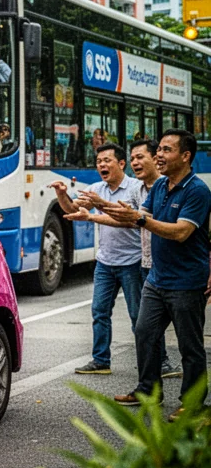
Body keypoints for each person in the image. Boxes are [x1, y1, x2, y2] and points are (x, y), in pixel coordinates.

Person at [102, 130, 211, 417]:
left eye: (166, 150)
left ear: (185, 156)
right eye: (159, 149)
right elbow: (143, 217)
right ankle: (148, 389)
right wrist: (104, 209)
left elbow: (182, 232)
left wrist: (139, 218)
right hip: (157, 278)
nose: (159, 155)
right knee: (144, 333)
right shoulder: (161, 186)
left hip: (187, 282)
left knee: (190, 346)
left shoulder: (197, 191)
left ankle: (193, 403)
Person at [51, 143, 144, 376]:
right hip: (105, 262)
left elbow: (131, 220)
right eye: (99, 161)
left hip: (132, 261)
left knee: (139, 317)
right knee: (100, 311)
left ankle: (157, 362)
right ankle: (101, 360)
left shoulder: (135, 189)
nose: (101, 165)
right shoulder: (97, 188)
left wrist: (97, 211)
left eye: (107, 161)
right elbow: (74, 209)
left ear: (121, 164)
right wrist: (62, 194)